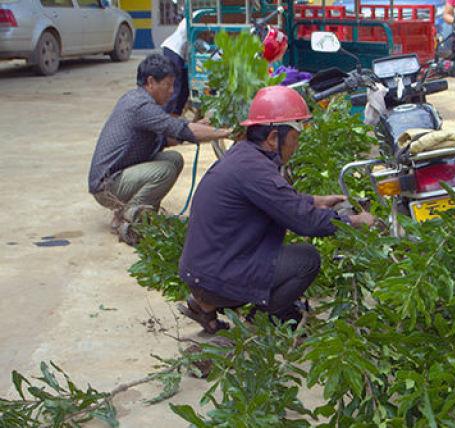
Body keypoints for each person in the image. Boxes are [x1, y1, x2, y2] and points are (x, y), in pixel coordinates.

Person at [178, 86, 375, 333]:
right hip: (216, 277)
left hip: (202, 271)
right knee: (306, 259)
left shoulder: (244, 156)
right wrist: (356, 221)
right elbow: (306, 223)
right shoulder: (257, 171)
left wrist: (316, 200)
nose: (297, 145)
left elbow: (279, 200)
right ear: (273, 138)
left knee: (276, 252)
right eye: (295, 137)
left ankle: (204, 306)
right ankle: (258, 322)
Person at [88, 54, 231, 244]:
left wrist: (200, 126)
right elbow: (181, 130)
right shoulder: (140, 106)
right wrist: (226, 133)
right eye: (168, 85)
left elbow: (172, 135)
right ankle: (129, 218)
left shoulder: (136, 99)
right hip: (107, 186)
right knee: (165, 170)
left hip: (117, 176)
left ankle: (138, 213)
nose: (172, 91)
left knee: (174, 158)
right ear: (150, 82)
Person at [160, 18, 189, 116]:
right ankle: (167, 115)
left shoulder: (203, 14)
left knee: (185, 86)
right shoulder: (197, 15)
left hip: (181, 54)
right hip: (174, 50)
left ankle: (175, 113)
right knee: (175, 85)